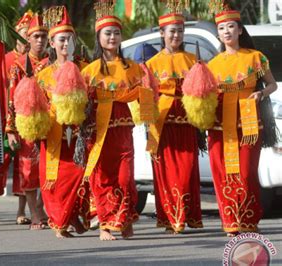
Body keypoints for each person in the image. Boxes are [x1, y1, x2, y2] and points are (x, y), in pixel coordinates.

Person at [80, 0, 152, 240]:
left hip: (123, 132)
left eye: (116, 33)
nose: (112, 37)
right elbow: (79, 102)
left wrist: (151, 117)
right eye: (107, 33)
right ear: (99, 36)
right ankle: (105, 225)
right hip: (98, 132)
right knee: (102, 178)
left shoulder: (132, 68)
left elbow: (147, 94)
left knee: (125, 178)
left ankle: (125, 218)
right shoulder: (89, 71)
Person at [207, 5, 278, 237]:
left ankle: (248, 219)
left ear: (239, 30)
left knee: (246, 173)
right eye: (221, 28)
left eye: (230, 26)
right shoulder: (212, 64)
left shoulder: (256, 57)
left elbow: (272, 84)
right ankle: (230, 221)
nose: (226, 31)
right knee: (223, 173)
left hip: (248, 121)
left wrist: (261, 94)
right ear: (218, 34)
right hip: (219, 126)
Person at [145, 6, 203, 234]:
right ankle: (171, 218)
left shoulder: (193, 61)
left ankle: (185, 215)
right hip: (161, 126)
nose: (176, 35)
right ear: (162, 33)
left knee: (187, 170)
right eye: (172, 31)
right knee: (165, 174)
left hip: (186, 124)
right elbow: (144, 98)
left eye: (180, 31)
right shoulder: (150, 65)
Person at [34, 5, 91, 238]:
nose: (66, 44)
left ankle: (70, 216)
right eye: (61, 40)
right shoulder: (42, 74)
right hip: (54, 133)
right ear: (52, 43)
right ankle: (61, 222)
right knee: (54, 181)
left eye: (70, 39)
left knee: (80, 177)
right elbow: (36, 105)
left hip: (79, 135)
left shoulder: (86, 69)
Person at [0, 10, 34, 226]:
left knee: (24, 165)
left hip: (25, 121)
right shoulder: (4, 60)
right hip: (2, 120)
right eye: (23, 35)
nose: (26, 40)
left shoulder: (33, 62)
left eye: (29, 36)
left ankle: (21, 210)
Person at [6, 12, 49, 230]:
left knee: (51, 169)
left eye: (43, 36)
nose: (40, 40)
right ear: (28, 40)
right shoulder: (19, 65)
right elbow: (11, 99)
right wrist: (11, 130)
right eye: (36, 36)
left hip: (51, 124)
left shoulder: (54, 62)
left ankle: (42, 207)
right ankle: (34, 214)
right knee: (29, 171)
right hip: (27, 125)